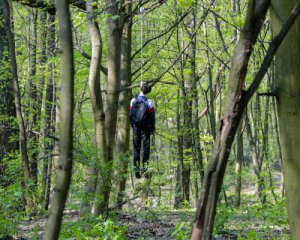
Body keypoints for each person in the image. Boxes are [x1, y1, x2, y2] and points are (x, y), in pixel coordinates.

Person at [129, 84, 155, 178]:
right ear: (148, 92)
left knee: (136, 148)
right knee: (146, 148)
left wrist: (133, 125)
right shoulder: (149, 102)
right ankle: (144, 169)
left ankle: (136, 169)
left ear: (140, 89)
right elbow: (152, 116)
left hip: (136, 127)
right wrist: (152, 128)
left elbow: (130, 114)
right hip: (146, 128)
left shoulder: (133, 100)